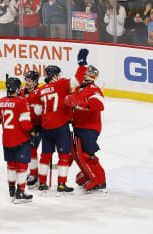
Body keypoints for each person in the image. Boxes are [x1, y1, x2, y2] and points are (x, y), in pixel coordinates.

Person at [34, 65, 81, 194]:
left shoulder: (40, 90)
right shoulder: (61, 84)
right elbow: (77, 80)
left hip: (46, 127)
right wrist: (82, 65)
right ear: (55, 75)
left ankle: (42, 183)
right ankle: (61, 185)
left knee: (45, 156)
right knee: (64, 156)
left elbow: (37, 111)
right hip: (60, 126)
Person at [64, 48, 106, 191]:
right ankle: (90, 175)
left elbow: (99, 104)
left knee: (86, 154)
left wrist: (81, 104)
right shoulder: (80, 89)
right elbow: (71, 101)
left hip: (88, 127)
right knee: (78, 155)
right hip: (79, 126)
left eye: (86, 74)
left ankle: (99, 180)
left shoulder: (92, 88)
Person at [0, 77, 35, 203]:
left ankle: (11, 189)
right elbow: (25, 123)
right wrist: (32, 132)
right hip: (20, 139)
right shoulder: (21, 102)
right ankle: (21, 192)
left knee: (11, 165)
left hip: (6, 139)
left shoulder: (0, 102)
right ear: (18, 88)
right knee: (22, 166)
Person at [20, 71, 42, 188]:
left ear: (35, 82)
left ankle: (34, 174)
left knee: (32, 149)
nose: (27, 83)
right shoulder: (22, 91)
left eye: (30, 81)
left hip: (37, 126)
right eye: (26, 80)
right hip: (26, 125)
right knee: (27, 149)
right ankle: (33, 171)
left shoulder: (39, 93)